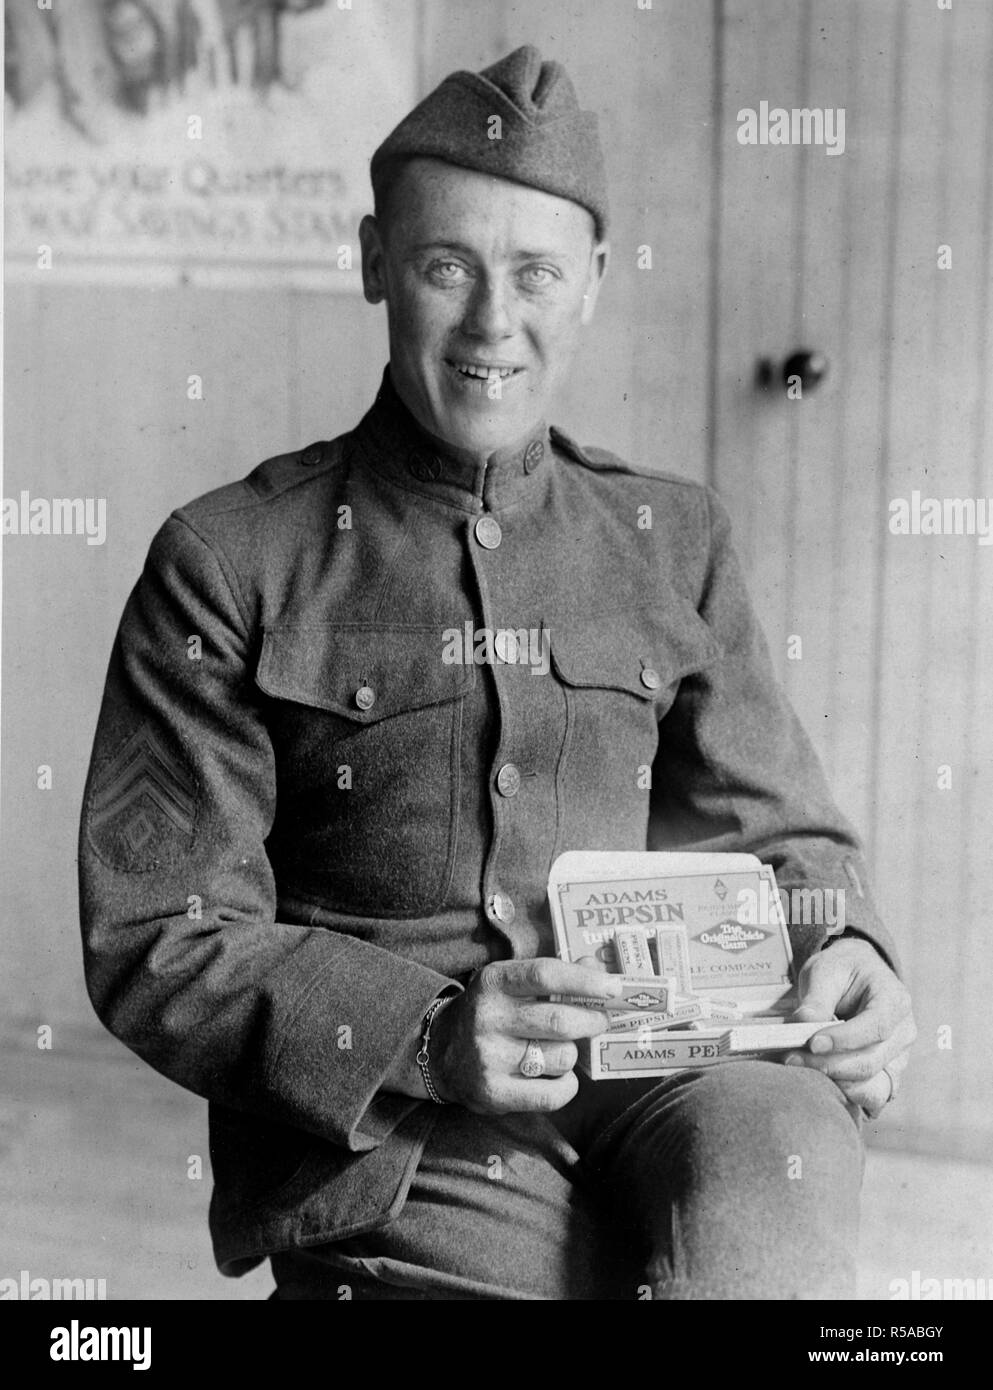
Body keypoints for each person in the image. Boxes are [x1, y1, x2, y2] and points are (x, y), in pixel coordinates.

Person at [78, 45, 916, 1300]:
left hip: (675, 1072)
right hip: (401, 1129)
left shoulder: (672, 539)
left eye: (534, 274)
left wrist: (849, 943)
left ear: (591, 286)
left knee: (777, 1220)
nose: (491, 324)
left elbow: (780, 829)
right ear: (375, 263)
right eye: (446, 265)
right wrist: (429, 1033)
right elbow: (156, 935)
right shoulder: (231, 562)